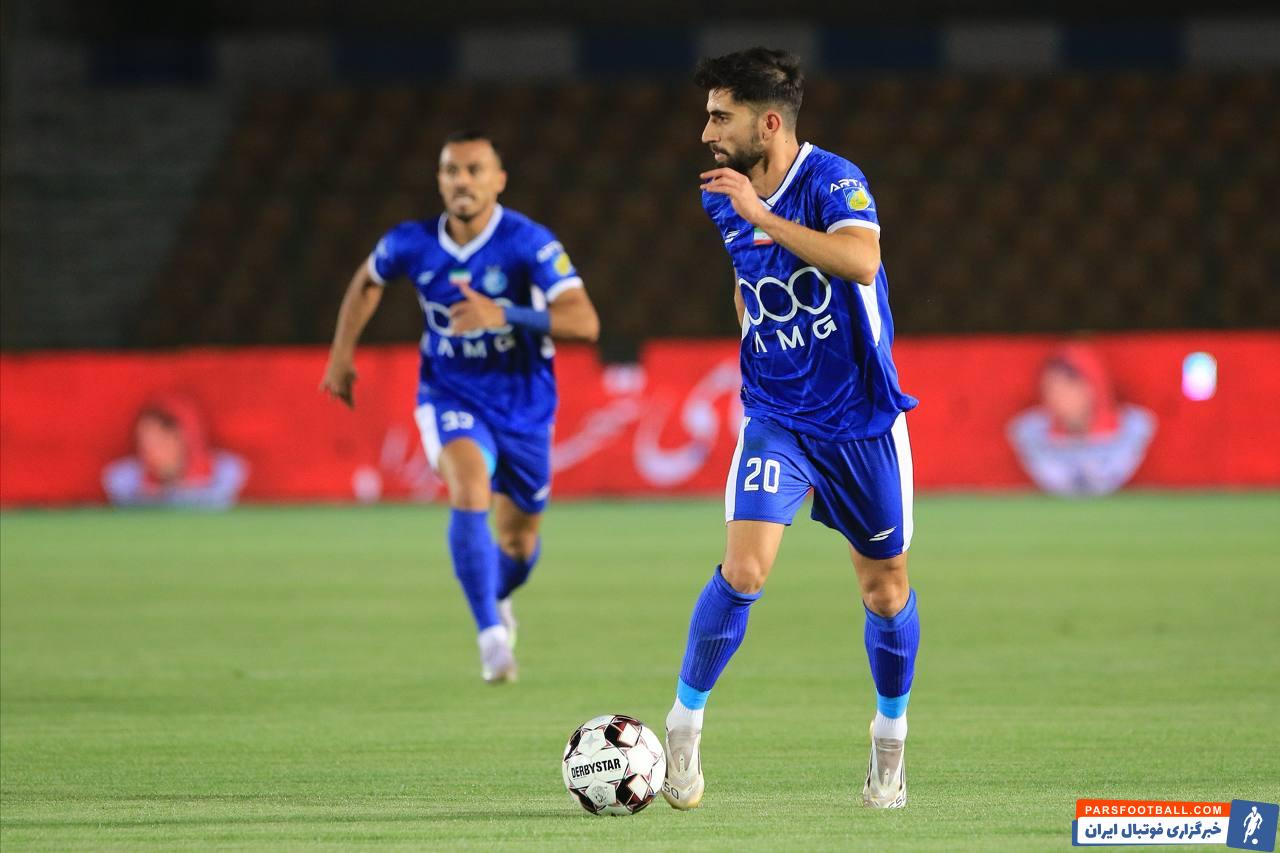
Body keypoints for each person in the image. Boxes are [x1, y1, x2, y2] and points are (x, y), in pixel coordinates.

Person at [661, 48, 920, 811]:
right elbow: (748, 281)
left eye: (721, 116)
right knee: (743, 572)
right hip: (777, 415)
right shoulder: (725, 197)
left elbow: (861, 261)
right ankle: (683, 724)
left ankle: (890, 741)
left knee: (885, 590)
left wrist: (763, 216)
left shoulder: (833, 179)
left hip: (862, 420)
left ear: (768, 123)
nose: (707, 131)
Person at [320, 130, 600, 683]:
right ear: (440, 180)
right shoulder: (412, 242)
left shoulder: (529, 243)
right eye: (451, 171)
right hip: (449, 393)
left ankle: (497, 597)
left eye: (474, 170)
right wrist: (341, 354)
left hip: (524, 404)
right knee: (469, 487)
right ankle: (492, 640)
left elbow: (585, 322)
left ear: (499, 181)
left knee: (519, 544)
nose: (462, 181)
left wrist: (505, 314)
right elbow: (369, 280)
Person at [1007, 343, 1156, 496]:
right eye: (1049, 390)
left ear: (1093, 386)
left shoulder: (1133, 427)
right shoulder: (1030, 432)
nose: (1056, 398)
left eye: (1066, 388)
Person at [102, 393, 248, 508]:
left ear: (182, 437)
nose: (150, 450)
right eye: (143, 442)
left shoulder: (224, 471)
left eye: (159, 441)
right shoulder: (125, 478)